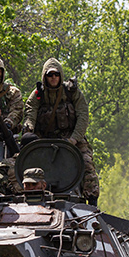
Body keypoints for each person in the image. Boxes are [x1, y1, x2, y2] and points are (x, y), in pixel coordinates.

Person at [23, 58, 99, 204]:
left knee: (86, 163)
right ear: (44, 76)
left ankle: (92, 200)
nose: (53, 78)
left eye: (56, 74)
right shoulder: (38, 94)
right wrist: (29, 129)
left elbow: (83, 116)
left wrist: (74, 139)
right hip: (44, 140)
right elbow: (30, 111)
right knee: (21, 160)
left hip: (70, 137)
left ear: (61, 75)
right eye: (50, 75)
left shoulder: (71, 92)